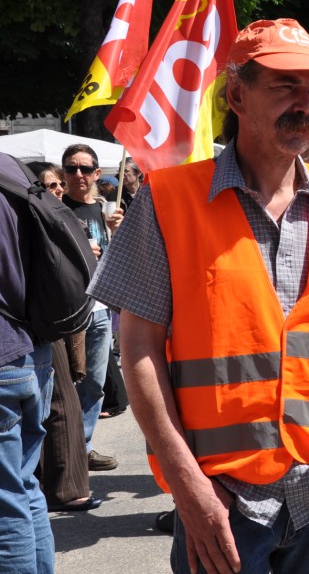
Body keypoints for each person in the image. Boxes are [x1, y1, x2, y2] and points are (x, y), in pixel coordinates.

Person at [88, 17, 309, 574]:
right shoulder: (168, 199)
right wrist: (187, 486)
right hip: (220, 496)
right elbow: (138, 348)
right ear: (237, 95)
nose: (306, 103)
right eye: (284, 86)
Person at [1, 152, 56, 572]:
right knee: (23, 486)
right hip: (31, 345)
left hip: (9, 351)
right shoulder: (11, 166)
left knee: (6, 502)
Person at [32, 165, 98, 512]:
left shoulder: (45, 215)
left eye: (59, 183)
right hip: (44, 324)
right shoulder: (45, 215)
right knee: (60, 401)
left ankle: (67, 484)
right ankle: (65, 485)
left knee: (69, 395)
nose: (58, 187)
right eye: (51, 184)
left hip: (54, 321)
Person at [62, 143, 122, 472]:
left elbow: (114, 259)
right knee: (67, 386)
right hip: (72, 310)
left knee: (95, 385)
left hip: (100, 309)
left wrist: (117, 232)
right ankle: (64, 450)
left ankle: (83, 445)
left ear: (97, 174)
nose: (78, 175)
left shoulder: (102, 210)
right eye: (71, 168)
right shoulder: (55, 210)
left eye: (85, 169)